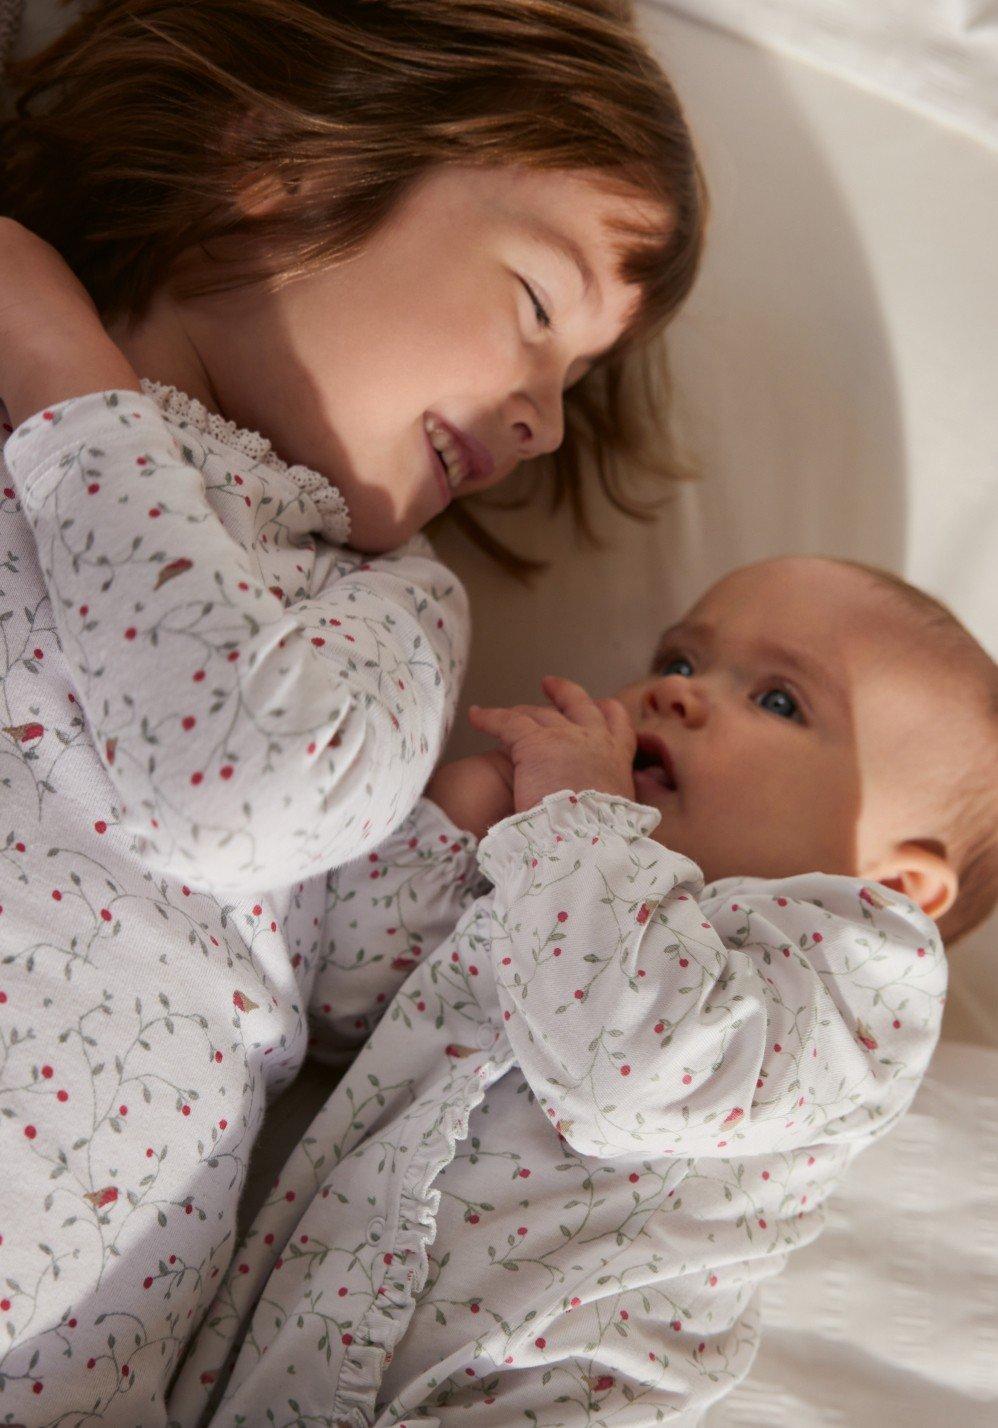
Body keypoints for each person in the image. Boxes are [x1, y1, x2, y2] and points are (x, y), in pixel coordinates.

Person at [0, 2, 705, 1420]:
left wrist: (64, 383)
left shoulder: (376, 607)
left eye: (575, 383)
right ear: (280, 161)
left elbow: (240, 791)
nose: (548, 424)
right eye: (534, 308)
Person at [182, 556, 997, 1425]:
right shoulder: (555, 875)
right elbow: (342, 993)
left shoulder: (861, 965)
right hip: (274, 1358)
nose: (675, 695)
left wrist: (579, 817)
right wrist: (469, 812)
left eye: (780, 701)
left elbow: (631, 1069)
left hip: (538, 1386)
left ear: (903, 881)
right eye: (681, 660)